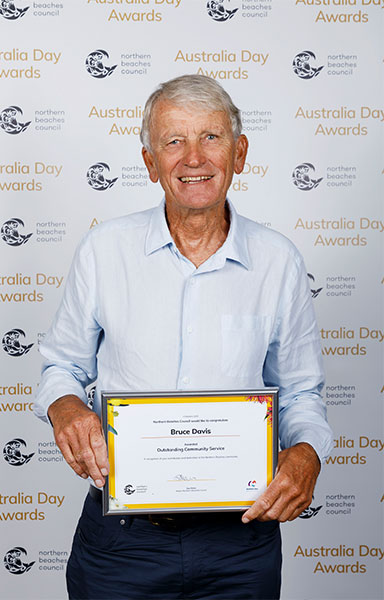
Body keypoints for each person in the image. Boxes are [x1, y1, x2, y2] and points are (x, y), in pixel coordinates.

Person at [34, 74, 333, 600]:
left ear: (239, 153)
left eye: (211, 138)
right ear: (150, 162)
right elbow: (62, 366)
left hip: (242, 541)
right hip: (121, 544)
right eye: (173, 141)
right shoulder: (104, 251)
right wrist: (64, 407)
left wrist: (306, 452)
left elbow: (302, 391)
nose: (193, 158)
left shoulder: (279, 261)